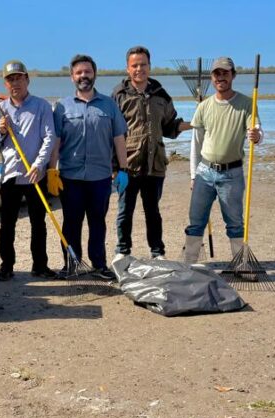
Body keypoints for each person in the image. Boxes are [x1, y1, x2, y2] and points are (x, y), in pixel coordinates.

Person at [53, 54, 130, 280]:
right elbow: (55, 142)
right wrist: (51, 171)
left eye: (87, 72)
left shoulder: (109, 105)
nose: (83, 76)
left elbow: (119, 139)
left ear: (94, 74)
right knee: (71, 224)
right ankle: (72, 265)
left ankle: (99, 265)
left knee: (98, 223)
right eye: (79, 73)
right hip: (71, 177)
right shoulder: (62, 107)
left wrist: (123, 169)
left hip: (100, 178)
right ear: (71, 77)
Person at [112, 46, 190, 261]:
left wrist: (194, 124)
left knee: (153, 212)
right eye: (134, 65)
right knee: (124, 212)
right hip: (127, 165)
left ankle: (157, 253)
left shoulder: (161, 95)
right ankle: (122, 252)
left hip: (155, 165)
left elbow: (170, 127)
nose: (139, 69)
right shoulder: (118, 96)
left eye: (143, 65)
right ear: (128, 69)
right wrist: (115, 167)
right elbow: (111, 132)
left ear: (149, 66)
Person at [184, 56, 263, 265]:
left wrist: (257, 136)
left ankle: (241, 264)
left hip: (232, 173)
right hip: (204, 172)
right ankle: (190, 263)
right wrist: (193, 175)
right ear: (212, 78)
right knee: (196, 221)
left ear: (233, 76)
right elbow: (196, 143)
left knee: (235, 223)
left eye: (225, 73)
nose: (221, 77)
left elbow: (256, 131)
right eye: (217, 74)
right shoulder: (204, 107)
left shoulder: (247, 104)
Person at [0, 60, 58, 281]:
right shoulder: (0, 110)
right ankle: (6, 265)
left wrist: (39, 165)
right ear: (5, 83)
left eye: (19, 78)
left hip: (35, 174)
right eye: (10, 79)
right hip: (10, 174)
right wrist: (0, 131)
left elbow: (49, 137)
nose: (15, 83)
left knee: (39, 222)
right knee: (7, 223)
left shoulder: (41, 106)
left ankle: (40, 265)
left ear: (27, 79)